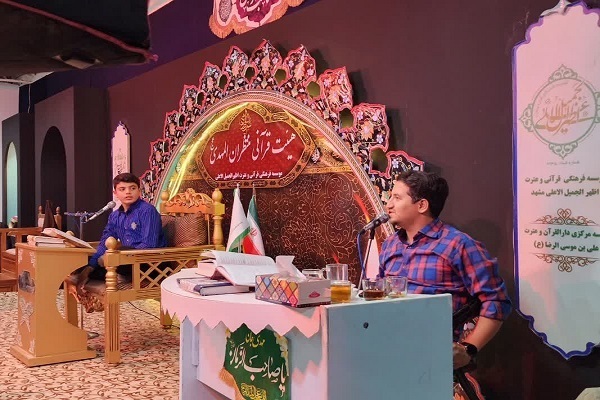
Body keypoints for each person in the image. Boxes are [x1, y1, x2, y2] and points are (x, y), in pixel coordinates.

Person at [379, 170, 512, 373]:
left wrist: (468, 349)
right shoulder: (390, 245)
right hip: (385, 350)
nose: (388, 205)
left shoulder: (458, 245)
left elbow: (496, 300)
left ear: (422, 205)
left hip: (430, 356)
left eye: (397, 198)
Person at [75, 173, 166, 294]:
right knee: (80, 262)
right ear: (115, 193)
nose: (128, 192)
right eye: (122, 189)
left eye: (132, 188)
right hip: (125, 262)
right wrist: (91, 266)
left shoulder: (147, 211)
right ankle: (107, 273)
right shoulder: (115, 216)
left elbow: (149, 245)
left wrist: (117, 257)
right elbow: (105, 241)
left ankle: (119, 274)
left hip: (149, 263)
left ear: (139, 191)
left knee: (116, 255)